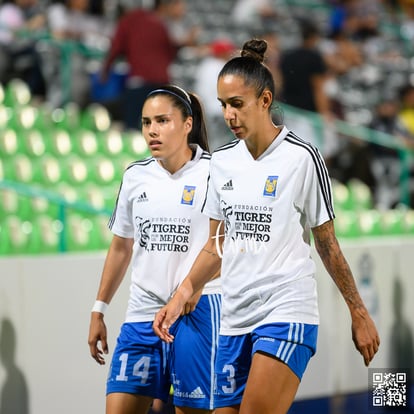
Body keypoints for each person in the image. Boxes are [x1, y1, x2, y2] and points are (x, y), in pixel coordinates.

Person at [153, 39, 380, 414]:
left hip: (286, 311)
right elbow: (215, 246)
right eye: (224, 105)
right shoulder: (222, 162)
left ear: (264, 100)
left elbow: (327, 245)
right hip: (234, 317)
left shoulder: (301, 158)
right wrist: (182, 293)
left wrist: (358, 312)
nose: (228, 115)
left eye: (237, 104)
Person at [88, 84, 221, 414]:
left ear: (188, 124)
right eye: (147, 122)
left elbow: (222, 244)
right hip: (142, 317)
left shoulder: (215, 172)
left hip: (195, 313)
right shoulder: (135, 176)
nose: (152, 131)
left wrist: (193, 287)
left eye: (162, 120)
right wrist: (99, 308)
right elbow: (121, 247)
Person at [100, 0, 195, 131]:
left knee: (132, 128)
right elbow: (170, 52)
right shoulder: (160, 24)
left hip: (138, 82)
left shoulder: (129, 21)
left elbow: (115, 48)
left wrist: (105, 71)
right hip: (162, 84)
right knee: (160, 129)